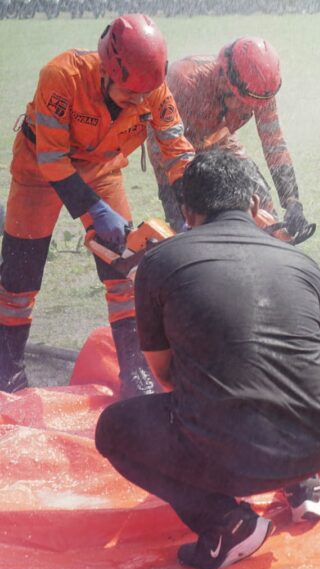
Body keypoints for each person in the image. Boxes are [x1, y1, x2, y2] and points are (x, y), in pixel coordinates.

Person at [95, 150, 320, 569]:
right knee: (287, 375)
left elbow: (163, 374)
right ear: (255, 204)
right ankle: (303, 482)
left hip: (234, 455)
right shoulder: (302, 261)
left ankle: (225, 521)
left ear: (185, 212)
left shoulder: (160, 262)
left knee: (114, 429)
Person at [0, 14, 194, 397]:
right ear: (107, 70)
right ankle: (8, 369)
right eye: (129, 95)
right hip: (40, 169)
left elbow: (177, 151)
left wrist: (195, 205)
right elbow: (52, 159)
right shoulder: (62, 77)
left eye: (145, 95)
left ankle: (134, 370)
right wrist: (94, 209)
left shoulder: (152, 87)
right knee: (19, 280)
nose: (139, 102)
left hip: (102, 168)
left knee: (124, 271)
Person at [147, 37, 314, 242]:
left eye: (253, 105)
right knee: (190, 226)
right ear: (225, 77)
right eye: (242, 102)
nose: (247, 109)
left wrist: (292, 201)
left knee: (264, 210)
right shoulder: (184, 82)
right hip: (173, 148)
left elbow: (274, 143)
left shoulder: (261, 91)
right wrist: (184, 196)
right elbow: (167, 144)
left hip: (220, 139)